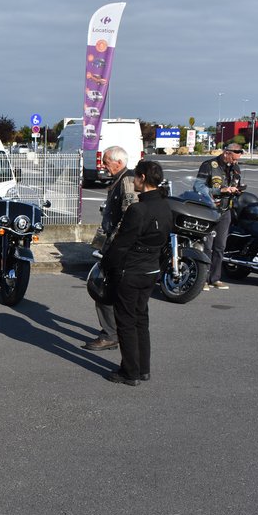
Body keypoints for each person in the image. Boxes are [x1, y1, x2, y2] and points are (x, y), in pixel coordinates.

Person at [101, 159, 173, 386]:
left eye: (136, 177)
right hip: (151, 269)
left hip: (131, 270)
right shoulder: (166, 206)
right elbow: (166, 242)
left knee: (126, 322)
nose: (133, 181)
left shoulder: (138, 209)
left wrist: (106, 265)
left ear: (142, 177)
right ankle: (143, 368)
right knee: (141, 319)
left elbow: (122, 244)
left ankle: (129, 372)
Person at [83, 146, 137, 351]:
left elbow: (129, 214)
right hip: (114, 244)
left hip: (119, 247)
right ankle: (113, 331)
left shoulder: (127, 181)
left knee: (102, 288)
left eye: (106, 162)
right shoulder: (119, 179)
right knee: (108, 288)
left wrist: (114, 243)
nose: (103, 165)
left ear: (119, 162)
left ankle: (110, 334)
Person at [194, 142, 244, 290]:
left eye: (237, 160)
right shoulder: (209, 165)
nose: (235, 162)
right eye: (233, 159)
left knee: (220, 246)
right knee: (207, 246)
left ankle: (215, 278)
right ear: (226, 153)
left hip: (225, 210)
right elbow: (198, 187)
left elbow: (237, 183)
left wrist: (237, 190)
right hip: (209, 210)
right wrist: (220, 190)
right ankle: (202, 279)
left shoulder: (235, 168)